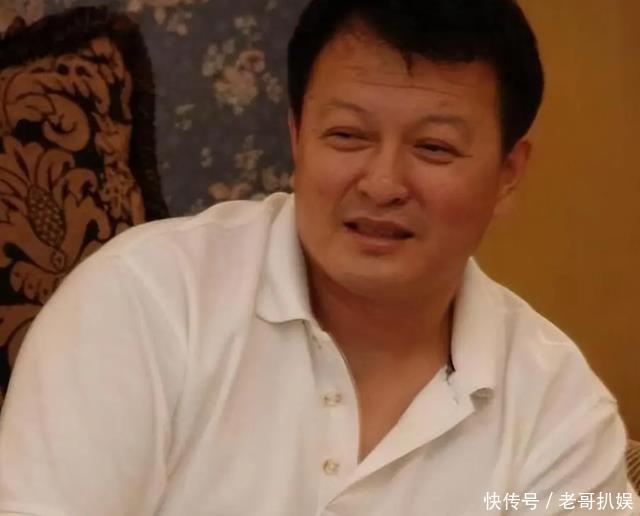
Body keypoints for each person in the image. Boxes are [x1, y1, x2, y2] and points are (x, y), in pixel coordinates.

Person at [0, 0, 636, 514]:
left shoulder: (560, 413)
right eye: (348, 135)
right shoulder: (144, 302)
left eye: (435, 148)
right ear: (297, 135)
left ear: (508, 174)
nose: (382, 184)